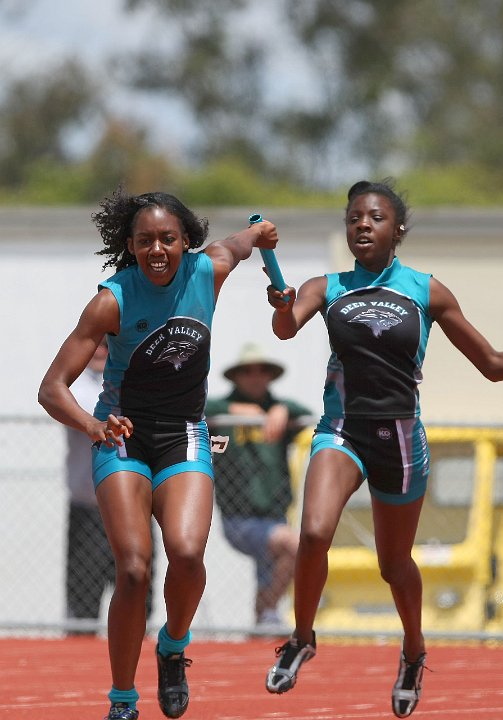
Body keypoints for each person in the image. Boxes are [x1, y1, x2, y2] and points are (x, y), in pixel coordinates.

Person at [262, 179, 503, 719]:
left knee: (393, 564)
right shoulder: (326, 286)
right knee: (312, 533)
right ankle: (302, 636)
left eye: (374, 217)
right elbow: (285, 329)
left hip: (399, 439)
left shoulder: (427, 290)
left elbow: (491, 365)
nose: (362, 225)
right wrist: (282, 305)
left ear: (397, 230)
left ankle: (414, 650)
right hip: (342, 429)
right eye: (353, 218)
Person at [38, 188, 278, 720]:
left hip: (185, 432)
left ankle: (172, 646)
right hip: (123, 438)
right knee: (133, 570)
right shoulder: (111, 299)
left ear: (186, 241)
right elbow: (52, 388)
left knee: (188, 554)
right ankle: (123, 700)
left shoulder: (207, 270)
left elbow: (241, 242)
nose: (157, 250)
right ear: (130, 245)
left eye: (168, 239)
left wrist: (261, 235)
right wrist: (93, 425)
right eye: (145, 241)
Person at [205, 343, 311, 628]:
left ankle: (262, 622)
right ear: (236, 377)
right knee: (293, 545)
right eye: (247, 371)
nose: (255, 376)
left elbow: (307, 412)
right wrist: (232, 408)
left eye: (262, 371)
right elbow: (195, 410)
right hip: (239, 518)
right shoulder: (222, 414)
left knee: (270, 570)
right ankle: (269, 611)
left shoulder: (279, 411)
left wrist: (281, 409)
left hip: (274, 513)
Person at [65, 338, 154, 632]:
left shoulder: (136, 386)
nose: (102, 351)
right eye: (97, 345)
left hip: (135, 510)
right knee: (83, 601)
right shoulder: (79, 389)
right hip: (90, 510)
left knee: (140, 596)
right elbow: (95, 415)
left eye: (108, 344)